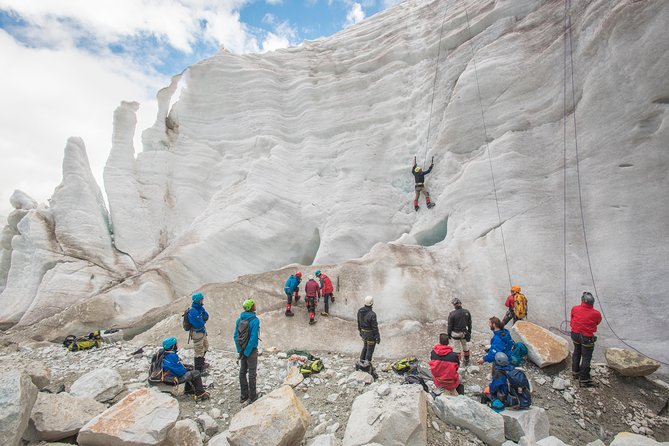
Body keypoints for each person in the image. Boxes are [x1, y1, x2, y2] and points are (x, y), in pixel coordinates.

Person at [161, 336, 210, 401]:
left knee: (189, 370)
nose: (177, 345)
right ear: (172, 346)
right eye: (175, 344)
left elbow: (173, 366)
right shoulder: (172, 356)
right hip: (171, 379)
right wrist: (186, 369)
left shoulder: (165, 354)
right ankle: (200, 394)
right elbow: (180, 371)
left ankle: (189, 389)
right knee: (196, 373)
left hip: (167, 376)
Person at [570, 291, 602, 387]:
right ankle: (584, 379)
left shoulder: (575, 308)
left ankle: (575, 372)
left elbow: (572, 317)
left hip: (575, 334)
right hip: (587, 337)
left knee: (577, 352)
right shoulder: (596, 313)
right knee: (586, 357)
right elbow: (597, 322)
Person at [234, 299, 262, 404]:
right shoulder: (255, 320)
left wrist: (240, 350)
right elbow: (253, 338)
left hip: (242, 349)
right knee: (251, 372)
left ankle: (243, 395)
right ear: (251, 307)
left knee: (242, 371)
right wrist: (247, 351)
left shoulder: (239, 320)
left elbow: (235, 336)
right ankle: (253, 396)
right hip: (251, 350)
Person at [187, 292, 209, 373]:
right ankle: (198, 369)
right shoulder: (193, 312)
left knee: (205, 346)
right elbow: (199, 323)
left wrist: (202, 318)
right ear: (199, 300)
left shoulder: (199, 308)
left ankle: (201, 363)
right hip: (197, 333)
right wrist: (202, 319)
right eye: (202, 299)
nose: (203, 300)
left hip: (202, 332)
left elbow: (206, 316)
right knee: (199, 350)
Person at [447, 298, 472, 366]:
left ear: (454, 305)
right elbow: (469, 324)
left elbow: (450, 325)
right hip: (464, 333)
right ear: (460, 303)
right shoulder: (467, 312)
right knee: (465, 345)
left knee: (456, 348)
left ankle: (458, 363)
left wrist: (448, 334)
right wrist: (469, 332)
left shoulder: (452, 314)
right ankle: (466, 360)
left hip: (455, 334)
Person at [357, 296, 380, 365]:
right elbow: (374, 327)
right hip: (370, 334)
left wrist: (360, 331)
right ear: (372, 303)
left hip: (363, 332)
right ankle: (366, 366)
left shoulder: (360, 311)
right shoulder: (372, 314)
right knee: (370, 349)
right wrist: (377, 337)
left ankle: (361, 363)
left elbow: (358, 322)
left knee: (365, 347)